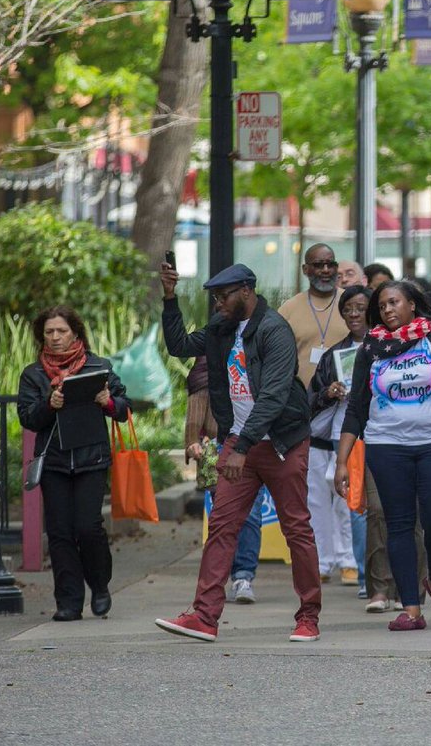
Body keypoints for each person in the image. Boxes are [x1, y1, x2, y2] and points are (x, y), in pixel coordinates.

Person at [155, 263, 321, 643]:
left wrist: (242, 447)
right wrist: (169, 298)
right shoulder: (222, 328)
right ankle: (204, 616)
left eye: (224, 296)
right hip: (238, 441)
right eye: (214, 297)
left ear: (246, 290)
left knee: (296, 527)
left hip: (281, 442)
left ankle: (308, 616)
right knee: (222, 527)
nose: (218, 304)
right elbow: (179, 345)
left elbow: (274, 395)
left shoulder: (274, 329)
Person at [334, 280, 431, 630]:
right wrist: (342, 461)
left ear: (412, 305)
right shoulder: (371, 348)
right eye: (383, 305)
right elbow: (357, 408)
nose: (388, 310)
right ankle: (411, 608)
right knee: (399, 525)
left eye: (394, 302)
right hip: (386, 445)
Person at [17, 306, 130, 622]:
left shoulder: (98, 367)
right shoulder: (34, 374)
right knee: (60, 532)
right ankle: (68, 601)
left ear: (76, 334)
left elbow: (123, 408)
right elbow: (27, 417)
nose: (54, 338)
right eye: (49, 332)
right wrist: (47, 405)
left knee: (88, 527)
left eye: (61, 331)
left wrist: (107, 401)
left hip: (90, 459)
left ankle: (100, 584)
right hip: (53, 463)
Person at [184, 356, 264, 604]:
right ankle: (218, 580)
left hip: (253, 443)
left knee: (250, 514)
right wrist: (191, 441)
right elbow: (196, 401)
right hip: (217, 448)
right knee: (223, 518)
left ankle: (243, 577)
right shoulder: (208, 360)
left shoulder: (258, 354)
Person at [308, 286, 372, 587]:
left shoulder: (389, 346)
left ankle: (378, 573)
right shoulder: (334, 354)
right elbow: (313, 397)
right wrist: (328, 393)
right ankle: (362, 574)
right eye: (348, 309)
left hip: (387, 432)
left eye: (361, 307)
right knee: (354, 502)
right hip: (344, 436)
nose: (355, 313)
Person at [278, 244, 348, 389]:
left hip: (346, 398)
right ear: (305, 269)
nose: (326, 270)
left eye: (331, 264)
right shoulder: (288, 309)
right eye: (318, 265)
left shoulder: (351, 304)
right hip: (302, 401)